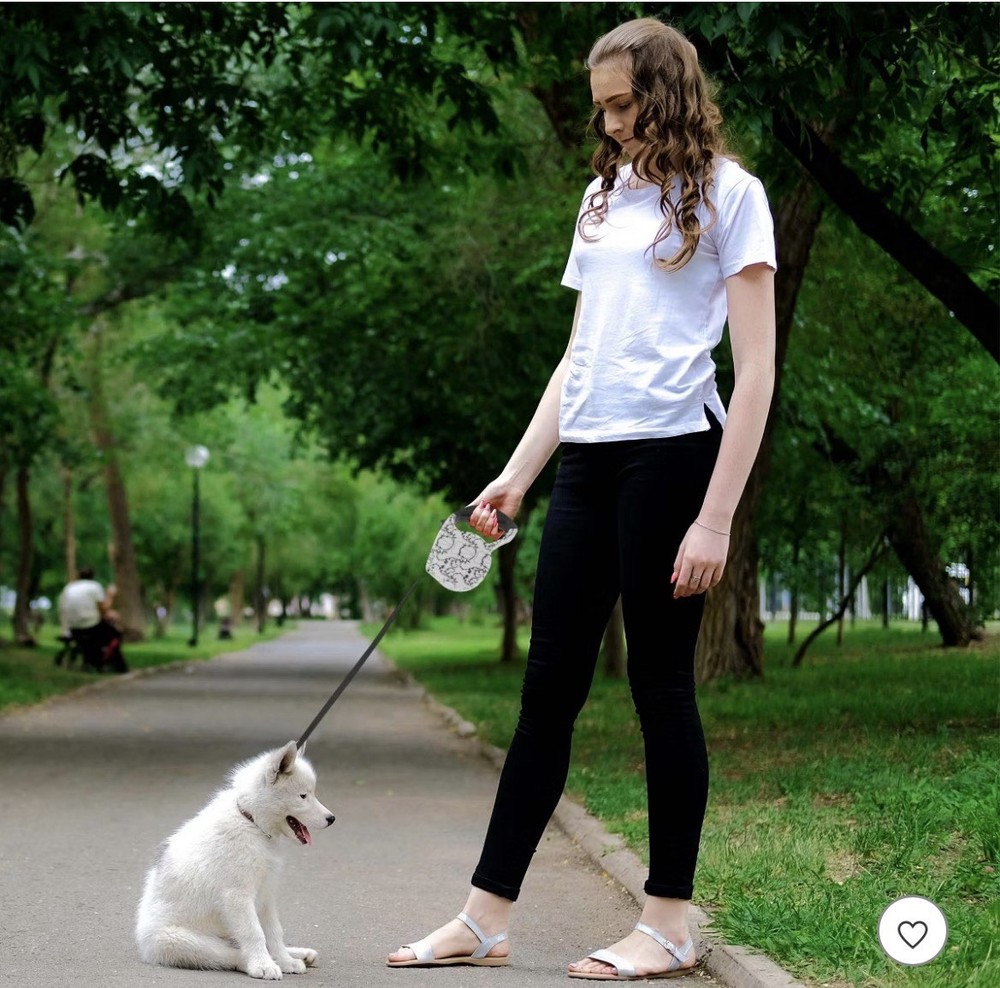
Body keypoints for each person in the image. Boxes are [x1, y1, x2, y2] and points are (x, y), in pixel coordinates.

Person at [387, 16, 776, 980]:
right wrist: (517, 475)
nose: (609, 126)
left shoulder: (733, 195)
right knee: (546, 695)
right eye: (600, 108)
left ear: (668, 92)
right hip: (589, 463)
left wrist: (716, 516)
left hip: (677, 457)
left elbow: (760, 370)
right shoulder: (602, 197)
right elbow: (580, 355)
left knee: (659, 690)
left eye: (622, 105)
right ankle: (485, 915)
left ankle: (672, 920)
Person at [58, 567, 128, 674]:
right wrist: (110, 595)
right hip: (91, 626)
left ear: (78, 576)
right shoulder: (94, 586)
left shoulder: (69, 587)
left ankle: (92, 661)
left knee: (98, 633)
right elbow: (103, 609)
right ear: (92, 576)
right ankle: (116, 665)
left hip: (73, 628)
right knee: (116, 634)